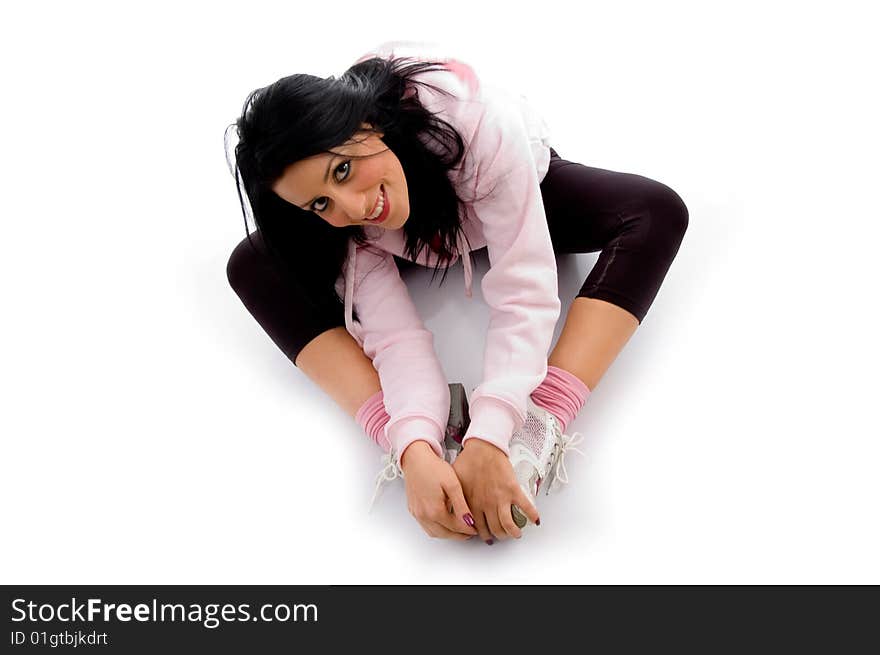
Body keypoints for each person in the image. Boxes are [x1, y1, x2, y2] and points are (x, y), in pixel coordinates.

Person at [224, 40, 689, 546]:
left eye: (343, 169)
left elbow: (523, 291)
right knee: (252, 264)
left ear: (367, 126)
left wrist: (495, 432)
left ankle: (538, 419)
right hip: (415, 238)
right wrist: (413, 448)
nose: (351, 205)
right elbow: (395, 339)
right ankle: (409, 424)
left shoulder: (474, 122)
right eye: (319, 202)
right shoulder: (344, 221)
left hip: (501, 193)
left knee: (655, 211)